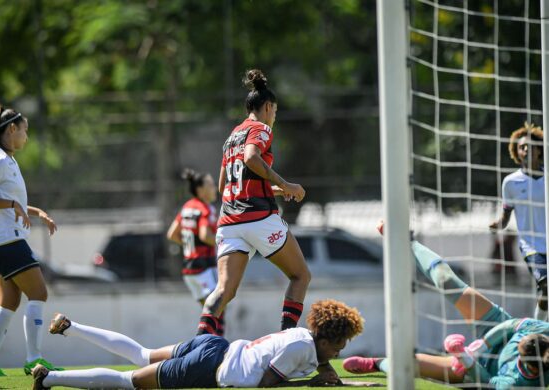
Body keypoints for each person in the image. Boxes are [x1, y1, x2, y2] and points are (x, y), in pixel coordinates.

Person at [343, 221, 549, 388]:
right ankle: (407, 241)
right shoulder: (542, 331)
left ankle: (377, 363)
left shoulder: (514, 384)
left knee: (408, 364)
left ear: (527, 364)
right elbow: (515, 325)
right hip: (496, 328)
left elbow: (485, 382)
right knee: (446, 281)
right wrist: (483, 344)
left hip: (480, 369)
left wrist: (465, 357)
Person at [196, 69, 310, 336]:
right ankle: (285, 341)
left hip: (229, 223)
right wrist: (285, 184)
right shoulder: (261, 129)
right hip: (258, 219)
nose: (274, 117)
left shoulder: (231, 137)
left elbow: (226, 186)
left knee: (223, 290)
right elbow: (250, 158)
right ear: (268, 107)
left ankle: (198, 346)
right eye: (275, 111)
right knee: (300, 276)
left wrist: (273, 191)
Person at [32, 299, 364, 389]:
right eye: (341, 344)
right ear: (327, 337)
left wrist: (326, 371)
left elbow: (317, 356)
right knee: (127, 382)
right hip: (210, 368)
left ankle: (70, 328)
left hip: (214, 345)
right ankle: (50, 379)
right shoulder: (302, 350)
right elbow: (264, 386)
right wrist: (310, 383)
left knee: (142, 354)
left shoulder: (303, 337)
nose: (341, 351)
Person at [0, 106, 62, 376]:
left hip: (6, 239)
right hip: (7, 240)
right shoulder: (0, 160)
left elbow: (16, 204)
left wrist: (37, 213)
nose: (26, 136)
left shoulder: (8, 160)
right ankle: (33, 359)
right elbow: (10, 203)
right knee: (39, 293)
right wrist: (14, 203)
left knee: (9, 301)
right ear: (12, 129)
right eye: (25, 130)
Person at [489, 123, 547, 320]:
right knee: (546, 286)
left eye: (530, 146)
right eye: (521, 147)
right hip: (531, 245)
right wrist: (498, 225)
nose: (525, 150)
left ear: (539, 149)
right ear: (517, 152)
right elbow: (506, 216)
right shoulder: (511, 182)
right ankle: (537, 331)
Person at [166, 169, 226, 335]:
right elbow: (204, 235)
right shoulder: (205, 209)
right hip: (203, 267)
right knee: (216, 312)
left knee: (212, 312)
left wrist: (188, 246)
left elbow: (172, 234)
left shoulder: (187, 207)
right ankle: (211, 350)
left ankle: (210, 347)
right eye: (211, 185)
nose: (214, 188)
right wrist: (223, 241)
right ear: (200, 189)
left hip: (189, 269)